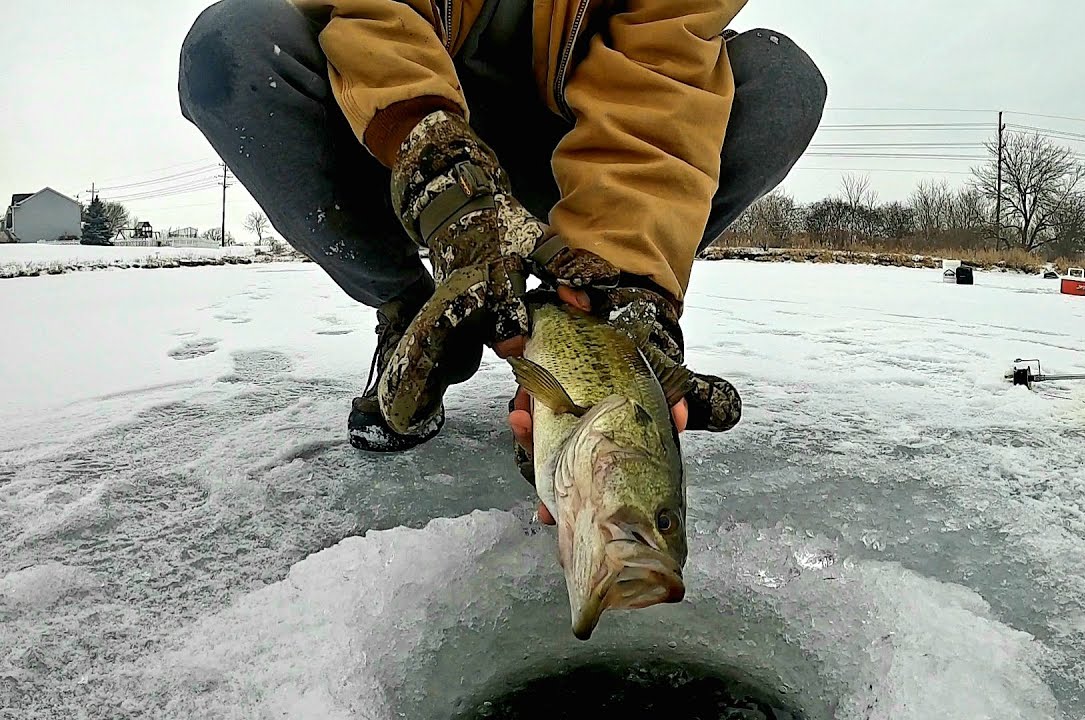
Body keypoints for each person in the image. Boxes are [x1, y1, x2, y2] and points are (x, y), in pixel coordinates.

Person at [177, 0, 826, 523]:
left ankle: (599, 305)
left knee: (780, 82)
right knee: (233, 43)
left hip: (582, 145)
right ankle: (413, 312)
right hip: (407, 132)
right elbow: (374, 14)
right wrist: (444, 178)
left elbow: (662, 73)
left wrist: (622, 280)